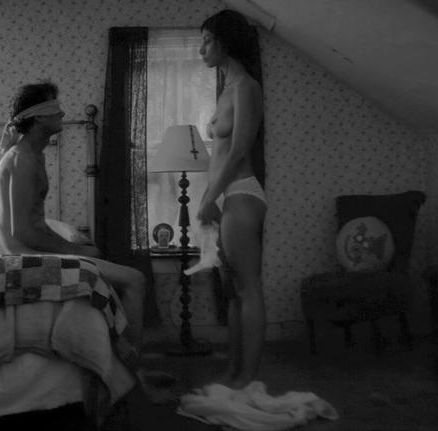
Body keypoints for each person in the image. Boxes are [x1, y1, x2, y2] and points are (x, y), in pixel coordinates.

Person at [0, 81, 148, 349]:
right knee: (135, 280)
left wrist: (72, 245)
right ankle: (131, 363)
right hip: (25, 258)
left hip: (34, 252)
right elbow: (23, 231)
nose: (62, 114)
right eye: (55, 109)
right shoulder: (22, 159)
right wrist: (73, 251)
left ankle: (112, 350)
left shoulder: (34, 155)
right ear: (38, 116)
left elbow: (36, 224)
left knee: (99, 259)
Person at [195, 9, 268, 390]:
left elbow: (239, 150)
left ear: (225, 42)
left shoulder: (245, 87)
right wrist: (210, 197)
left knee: (248, 288)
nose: (202, 49)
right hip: (224, 196)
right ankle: (233, 372)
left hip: (240, 193)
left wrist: (210, 197)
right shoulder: (226, 89)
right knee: (234, 293)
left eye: (207, 40)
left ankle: (247, 376)